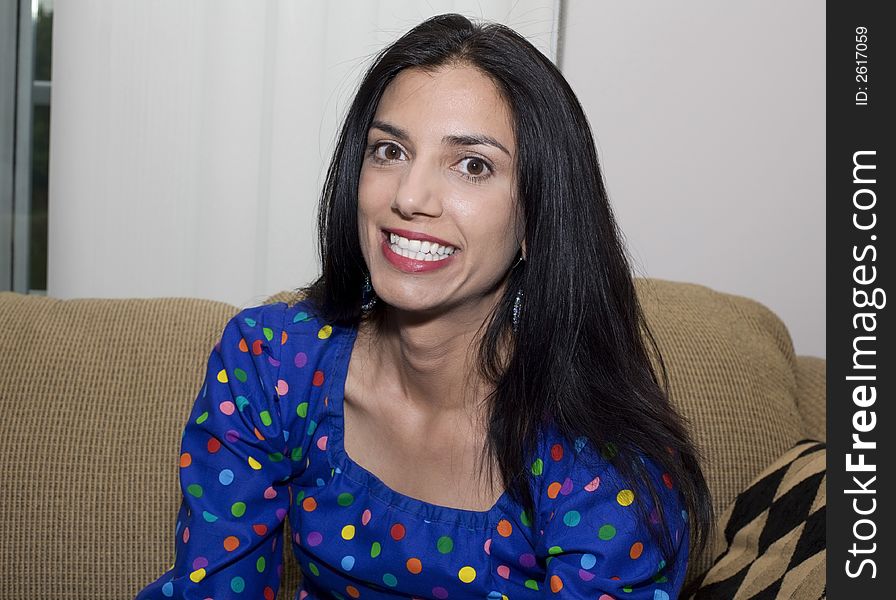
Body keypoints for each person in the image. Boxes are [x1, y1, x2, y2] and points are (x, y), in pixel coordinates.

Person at [136, 13, 712, 600]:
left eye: (472, 166)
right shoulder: (269, 363)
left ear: (539, 217)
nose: (409, 197)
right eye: (389, 150)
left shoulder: (600, 465)